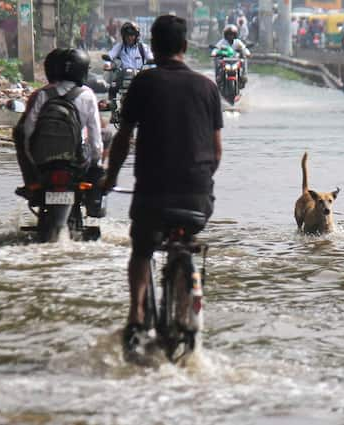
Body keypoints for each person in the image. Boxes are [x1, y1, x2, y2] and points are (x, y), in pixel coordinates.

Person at [101, 15, 223, 354]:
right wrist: (201, 181)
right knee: (187, 236)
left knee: (141, 249)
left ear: (152, 47)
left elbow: (123, 140)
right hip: (197, 197)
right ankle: (187, 299)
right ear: (185, 47)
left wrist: (110, 179)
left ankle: (137, 313)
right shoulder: (208, 87)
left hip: (153, 196)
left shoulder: (143, 83)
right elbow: (216, 152)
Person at [14, 48, 103, 198]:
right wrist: (96, 165)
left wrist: (31, 160)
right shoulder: (87, 95)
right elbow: (95, 137)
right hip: (76, 160)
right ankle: (94, 197)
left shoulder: (42, 94)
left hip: (42, 160)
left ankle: (32, 186)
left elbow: (28, 131)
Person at [107, 22, 154, 102]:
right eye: (127, 35)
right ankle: (113, 108)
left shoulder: (143, 47)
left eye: (132, 35)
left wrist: (153, 67)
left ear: (136, 36)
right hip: (122, 76)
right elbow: (110, 55)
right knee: (112, 86)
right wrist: (107, 64)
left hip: (139, 76)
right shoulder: (120, 46)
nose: (129, 38)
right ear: (123, 36)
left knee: (153, 88)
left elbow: (151, 59)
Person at [212, 24, 252, 88]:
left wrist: (247, 53)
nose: (230, 36)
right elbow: (216, 48)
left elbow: (244, 48)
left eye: (232, 34)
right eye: (228, 34)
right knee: (217, 60)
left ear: (235, 35)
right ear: (226, 35)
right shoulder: (222, 42)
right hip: (225, 60)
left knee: (244, 60)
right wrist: (214, 53)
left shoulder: (238, 42)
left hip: (236, 60)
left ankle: (244, 75)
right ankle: (218, 76)